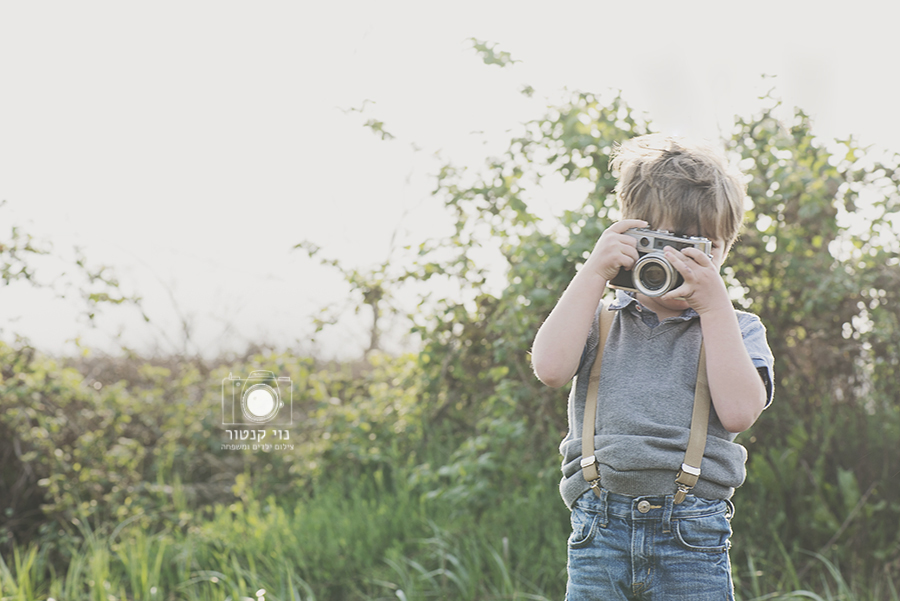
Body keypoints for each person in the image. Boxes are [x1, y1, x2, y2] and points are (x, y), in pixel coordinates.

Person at [531, 134, 775, 600]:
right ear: (630, 234)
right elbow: (549, 367)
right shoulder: (601, 318)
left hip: (691, 531)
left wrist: (714, 308)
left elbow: (741, 412)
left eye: (703, 251)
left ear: (723, 250)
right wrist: (594, 272)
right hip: (598, 527)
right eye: (664, 245)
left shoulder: (735, 328)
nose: (681, 265)